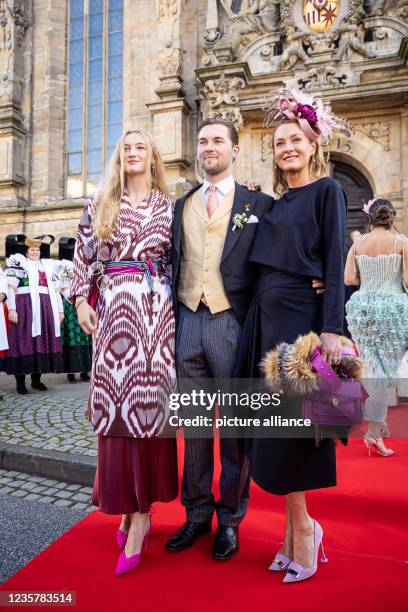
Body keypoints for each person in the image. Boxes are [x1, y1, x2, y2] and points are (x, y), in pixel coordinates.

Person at [166, 116, 323, 560]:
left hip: (235, 322)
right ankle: (195, 514)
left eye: (217, 140)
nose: (208, 146)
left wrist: (319, 280)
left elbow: (290, 250)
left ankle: (230, 519)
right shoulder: (182, 205)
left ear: (236, 150)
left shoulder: (261, 202)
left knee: (236, 429)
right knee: (195, 429)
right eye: (202, 140)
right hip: (187, 324)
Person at [234, 87, 349, 583]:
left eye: (295, 140)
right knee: (272, 436)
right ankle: (291, 534)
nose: (287, 148)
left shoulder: (329, 192)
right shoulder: (271, 203)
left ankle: (306, 532)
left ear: (312, 144)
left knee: (296, 434)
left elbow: (332, 262)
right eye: (280, 142)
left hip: (302, 330)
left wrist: (331, 328)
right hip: (265, 323)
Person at [71, 129, 178, 576]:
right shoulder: (100, 204)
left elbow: (183, 263)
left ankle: (142, 515)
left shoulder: (169, 208)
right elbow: (83, 256)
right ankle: (128, 508)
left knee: (148, 409)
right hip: (114, 311)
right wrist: (80, 301)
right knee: (115, 408)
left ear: (153, 158)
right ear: (119, 158)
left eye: (141, 147)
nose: (133, 153)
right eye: (126, 148)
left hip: (156, 317)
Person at [345, 198, 408, 456]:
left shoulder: (358, 244)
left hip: (363, 309)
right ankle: (373, 431)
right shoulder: (401, 242)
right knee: (386, 371)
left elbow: (349, 278)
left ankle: (375, 430)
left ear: (369, 219)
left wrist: (366, 277)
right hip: (393, 309)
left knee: (372, 367)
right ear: (391, 218)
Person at [5, 239, 64, 394]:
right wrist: (12, 309)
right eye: (31, 250)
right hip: (25, 307)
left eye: (37, 250)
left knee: (42, 342)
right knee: (22, 341)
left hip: (45, 308)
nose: (35, 252)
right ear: (26, 252)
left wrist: (60, 311)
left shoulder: (47, 267)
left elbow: (57, 291)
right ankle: (20, 382)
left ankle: (36, 380)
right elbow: (11, 288)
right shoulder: (19, 265)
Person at [56, 256, 92, 383]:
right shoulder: (65, 268)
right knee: (71, 337)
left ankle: (85, 371)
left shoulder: (86, 267)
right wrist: (75, 299)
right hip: (71, 305)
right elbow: (63, 288)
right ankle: (70, 372)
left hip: (85, 303)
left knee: (84, 334)